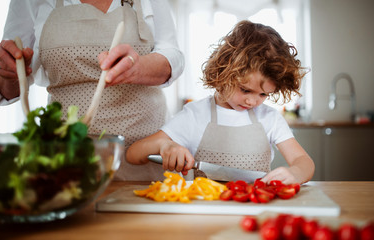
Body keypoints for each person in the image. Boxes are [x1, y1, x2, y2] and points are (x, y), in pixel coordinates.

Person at [0, 0, 184, 181]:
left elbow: (172, 55)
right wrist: (8, 73)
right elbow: (9, 87)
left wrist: (138, 67)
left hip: (146, 154)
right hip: (68, 161)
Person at [126, 20, 315, 184]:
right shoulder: (195, 115)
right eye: (245, 90)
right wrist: (164, 146)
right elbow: (133, 154)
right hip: (204, 213)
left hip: (256, 210)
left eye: (263, 95)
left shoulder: (270, 119)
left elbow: (303, 161)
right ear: (223, 73)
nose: (252, 101)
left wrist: (295, 172)